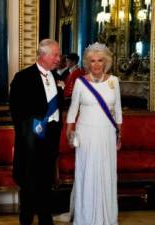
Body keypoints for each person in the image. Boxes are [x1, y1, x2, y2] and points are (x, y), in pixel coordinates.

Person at [66, 42, 122, 225]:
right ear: (87, 63)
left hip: (107, 133)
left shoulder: (114, 81)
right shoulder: (81, 83)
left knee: (106, 174)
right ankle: (86, 217)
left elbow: (118, 110)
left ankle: (106, 217)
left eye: (100, 61)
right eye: (92, 61)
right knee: (87, 173)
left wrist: (119, 134)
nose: (96, 64)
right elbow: (73, 108)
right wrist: (69, 130)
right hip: (86, 133)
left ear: (106, 62)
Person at [10, 39, 63, 225]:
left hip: (50, 141)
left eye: (58, 54)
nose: (58, 58)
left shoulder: (56, 77)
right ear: (43, 55)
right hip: (31, 142)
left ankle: (46, 221)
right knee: (29, 188)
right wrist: (35, 127)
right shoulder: (23, 77)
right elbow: (16, 111)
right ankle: (25, 222)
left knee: (46, 186)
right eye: (55, 55)